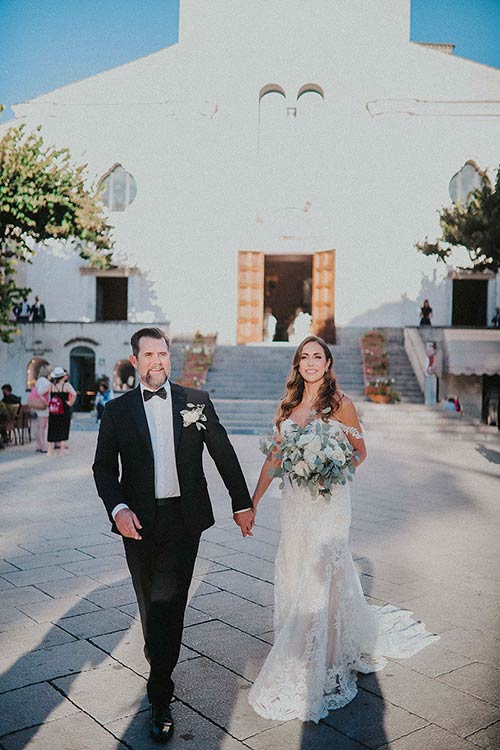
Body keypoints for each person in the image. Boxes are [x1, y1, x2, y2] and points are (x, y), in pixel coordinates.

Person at [248, 336, 438, 722]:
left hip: (329, 502)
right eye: (304, 357)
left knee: (322, 571)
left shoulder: (341, 405)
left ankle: (325, 651)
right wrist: (251, 504)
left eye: (318, 356)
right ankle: (299, 635)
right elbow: (274, 457)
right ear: (298, 365)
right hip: (296, 505)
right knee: (295, 564)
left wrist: (331, 466)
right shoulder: (287, 407)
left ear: (329, 362)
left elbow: (360, 452)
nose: (311, 362)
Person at [92, 327, 253, 744]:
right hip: (138, 524)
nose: (157, 362)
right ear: (135, 361)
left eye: (162, 354)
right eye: (148, 355)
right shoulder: (116, 411)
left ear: (169, 357)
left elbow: (223, 451)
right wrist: (118, 508)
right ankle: (159, 659)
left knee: (170, 602)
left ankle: (160, 691)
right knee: (150, 605)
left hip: (185, 520)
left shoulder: (195, 402)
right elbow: (103, 470)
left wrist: (242, 502)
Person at [47, 367, 76, 456]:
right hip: (64, 409)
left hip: (53, 410)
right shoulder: (66, 385)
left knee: (52, 428)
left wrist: (47, 402)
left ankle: (50, 450)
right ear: (62, 376)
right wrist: (70, 403)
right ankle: (62, 450)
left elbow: (41, 392)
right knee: (63, 428)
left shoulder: (51, 385)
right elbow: (74, 394)